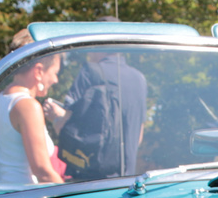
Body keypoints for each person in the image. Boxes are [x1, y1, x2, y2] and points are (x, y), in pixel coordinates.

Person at [51, 51, 148, 181]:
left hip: (91, 184)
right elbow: (138, 138)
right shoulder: (140, 79)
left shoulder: (89, 72)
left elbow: (68, 134)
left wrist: (55, 117)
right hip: (127, 183)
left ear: (96, 47)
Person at [0, 52, 65, 186]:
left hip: (5, 190)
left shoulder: (3, 96)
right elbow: (43, 172)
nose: (55, 80)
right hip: (25, 196)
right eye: (55, 72)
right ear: (38, 71)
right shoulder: (28, 106)